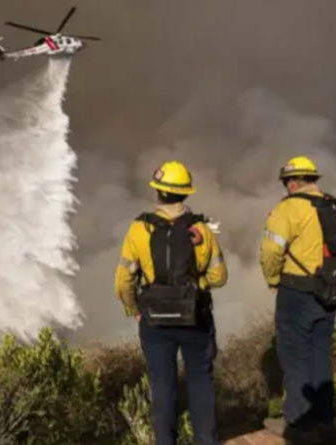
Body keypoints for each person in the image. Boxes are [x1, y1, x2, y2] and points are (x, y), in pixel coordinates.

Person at [114, 160, 228, 445]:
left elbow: (124, 281)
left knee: (162, 385)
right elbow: (219, 276)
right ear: (186, 193)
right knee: (200, 380)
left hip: (155, 320)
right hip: (195, 317)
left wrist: (134, 309)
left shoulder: (139, 229)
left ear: (158, 192)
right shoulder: (202, 230)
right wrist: (196, 286)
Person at [260, 156, 336, 441]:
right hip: (330, 289)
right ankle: (325, 416)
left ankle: (298, 421)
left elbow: (271, 251)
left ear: (292, 182)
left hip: (297, 291)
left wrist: (272, 279)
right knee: (320, 351)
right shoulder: (334, 206)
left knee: (294, 355)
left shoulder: (288, 209)